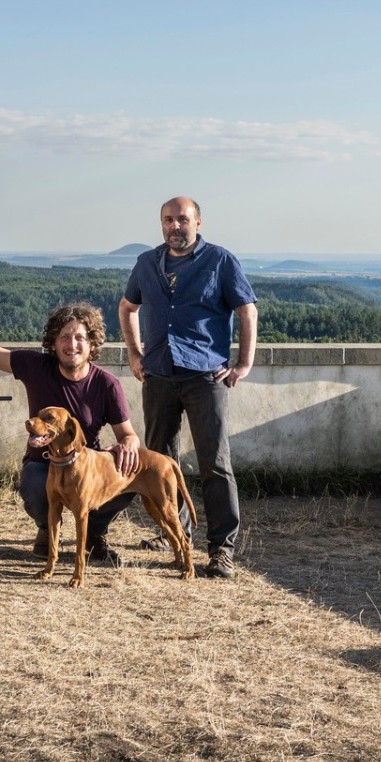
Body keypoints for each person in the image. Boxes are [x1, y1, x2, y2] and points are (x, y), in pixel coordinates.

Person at [0, 261, 142, 566]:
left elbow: (127, 434)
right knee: (34, 485)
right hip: (43, 465)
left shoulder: (106, 384)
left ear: (91, 343)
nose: (72, 345)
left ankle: (96, 534)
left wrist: (130, 443)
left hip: (87, 467)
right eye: (65, 338)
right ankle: (48, 529)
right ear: (54, 344)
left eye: (80, 337)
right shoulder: (36, 367)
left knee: (129, 474)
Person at [117, 196, 258, 579]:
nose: (174, 226)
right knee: (160, 462)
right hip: (159, 374)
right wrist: (134, 352)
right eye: (168, 220)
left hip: (204, 377)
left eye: (182, 219)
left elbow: (247, 309)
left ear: (198, 222)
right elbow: (127, 307)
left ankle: (221, 550)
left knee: (215, 463)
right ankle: (174, 533)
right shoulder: (147, 263)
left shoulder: (220, 260)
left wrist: (243, 363)